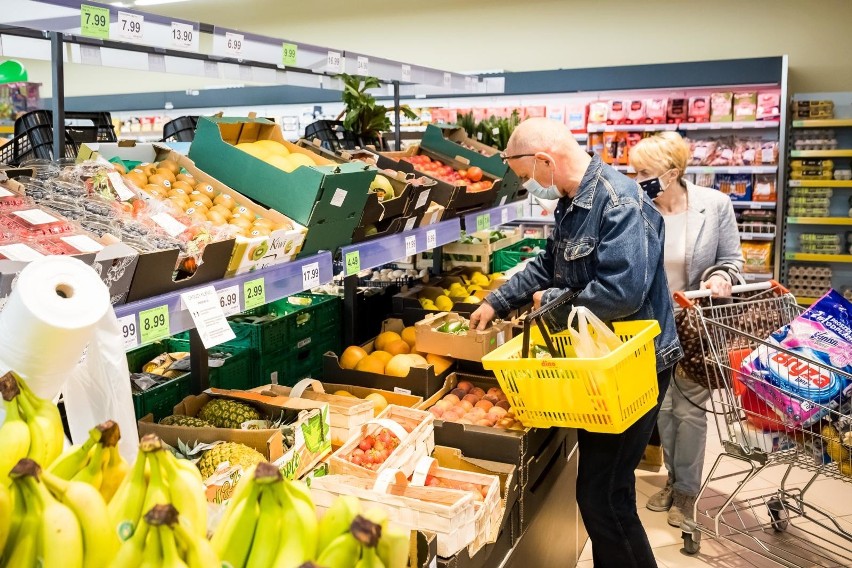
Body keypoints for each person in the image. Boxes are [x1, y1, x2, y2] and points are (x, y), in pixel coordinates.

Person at [470, 118, 682, 568]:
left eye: (528, 177)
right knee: (604, 490)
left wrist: (552, 303)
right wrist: (498, 300)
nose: (531, 187)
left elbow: (623, 293)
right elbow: (550, 264)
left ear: (546, 161)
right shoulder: (572, 203)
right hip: (600, 365)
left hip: (634, 365)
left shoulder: (620, 202)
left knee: (603, 495)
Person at [629, 132, 743, 528]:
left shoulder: (715, 206)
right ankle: (673, 479)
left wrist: (720, 277)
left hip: (697, 324)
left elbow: (731, 261)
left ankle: (687, 491)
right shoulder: (638, 207)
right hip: (652, 324)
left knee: (690, 410)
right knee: (662, 407)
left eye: (644, 171)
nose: (635, 177)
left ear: (672, 172)